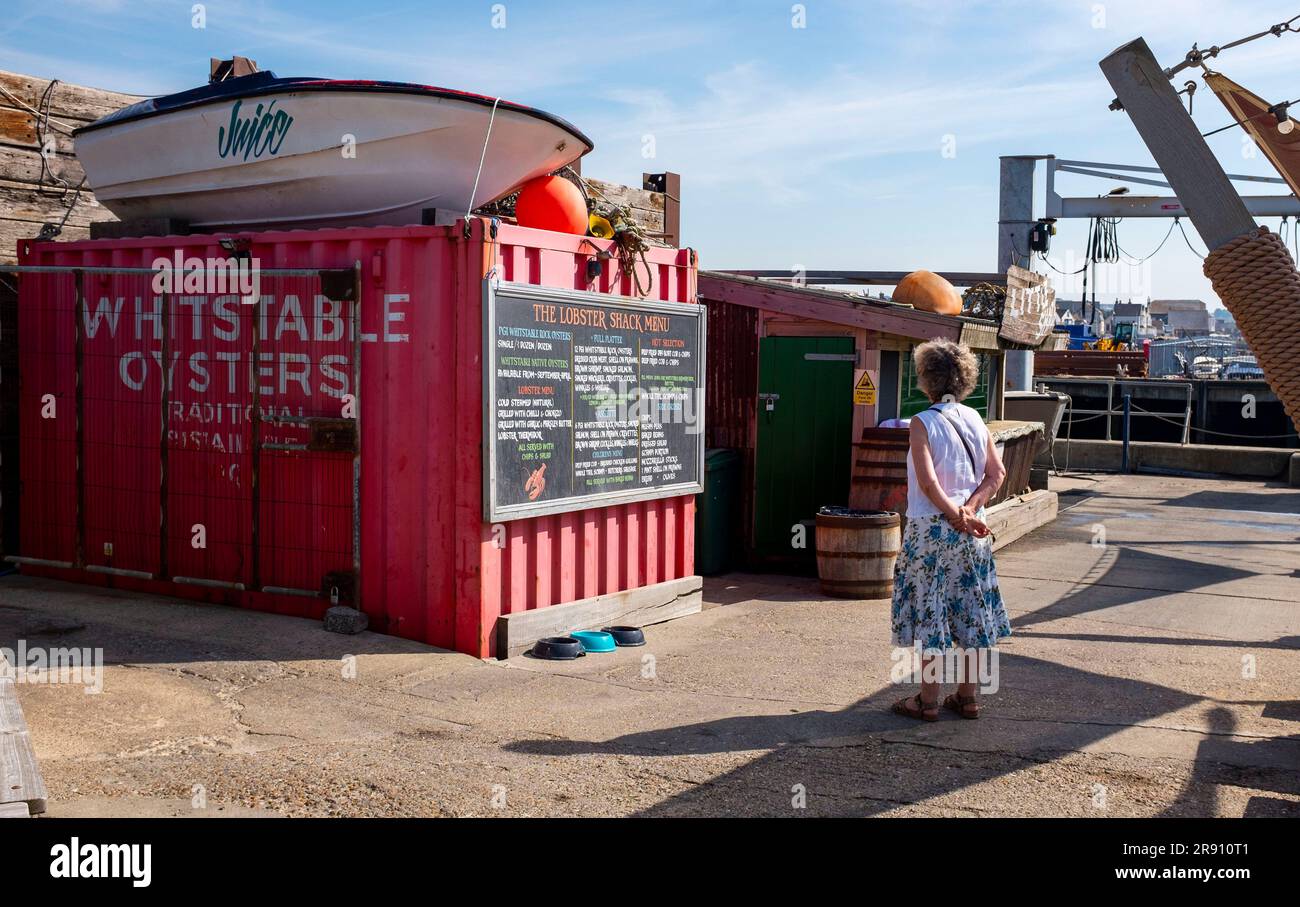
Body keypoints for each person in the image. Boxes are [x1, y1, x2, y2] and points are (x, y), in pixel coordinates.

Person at [890, 339, 1009, 721]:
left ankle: (927, 702)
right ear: (964, 379)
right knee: (971, 609)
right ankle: (968, 697)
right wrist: (969, 512)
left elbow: (927, 483)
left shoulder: (922, 423)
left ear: (926, 379)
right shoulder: (975, 419)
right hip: (973, 532)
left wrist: (953, 513)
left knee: (931, 611)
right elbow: (997, 474)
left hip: (929, 530)